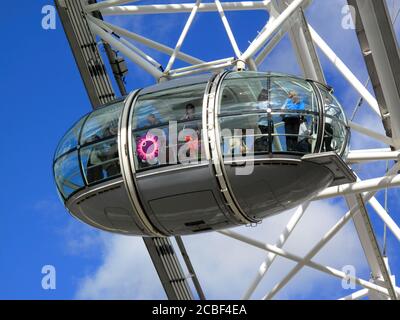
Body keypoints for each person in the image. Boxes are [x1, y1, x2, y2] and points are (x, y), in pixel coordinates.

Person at [255, 89, 270, 153]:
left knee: (265, 137)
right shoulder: (267, 103)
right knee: (269, 138)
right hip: (267, 123)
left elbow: (258, 113)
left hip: (261, 123)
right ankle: (265, 149)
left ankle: (264, 149)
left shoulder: (258, 103)